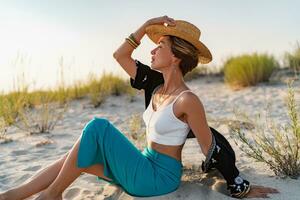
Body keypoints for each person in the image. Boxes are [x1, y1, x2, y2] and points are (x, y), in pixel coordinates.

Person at [0, 16, 279, 200]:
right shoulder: (154, 83)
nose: (153, 51)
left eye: (160, 46)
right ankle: (16, 194)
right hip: (143, 163)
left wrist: (241, 187)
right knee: (76, 157)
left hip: (158, 178)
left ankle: (52, 196)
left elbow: (211, 148)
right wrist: (147, 25)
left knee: (97, 127)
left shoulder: (187, 100)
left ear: (176, 57)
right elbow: (120, 55)